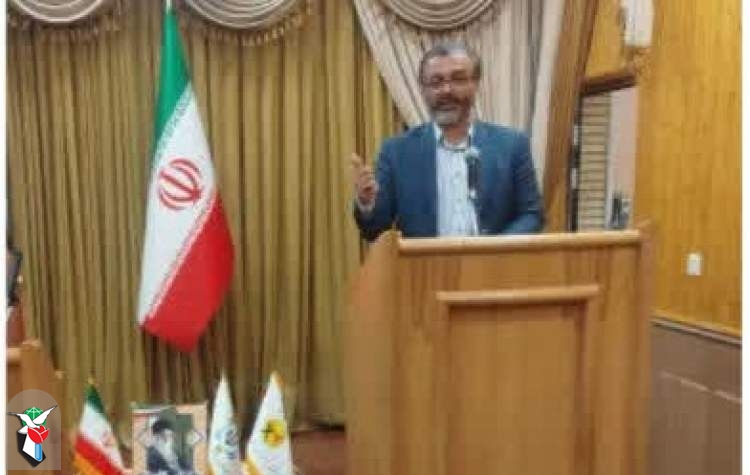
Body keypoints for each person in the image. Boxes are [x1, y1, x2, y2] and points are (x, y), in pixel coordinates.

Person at [351, 42, 543, 241]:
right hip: (425, 261)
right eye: (436, 82)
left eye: (458, 79)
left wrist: (494, 250)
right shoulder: (396, 152)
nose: (447, 90)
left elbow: (531, 215)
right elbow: (374, 231)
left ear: (476, 84)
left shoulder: (512, 145)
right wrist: (367, 204)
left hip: (494, 261)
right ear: (423, 90)